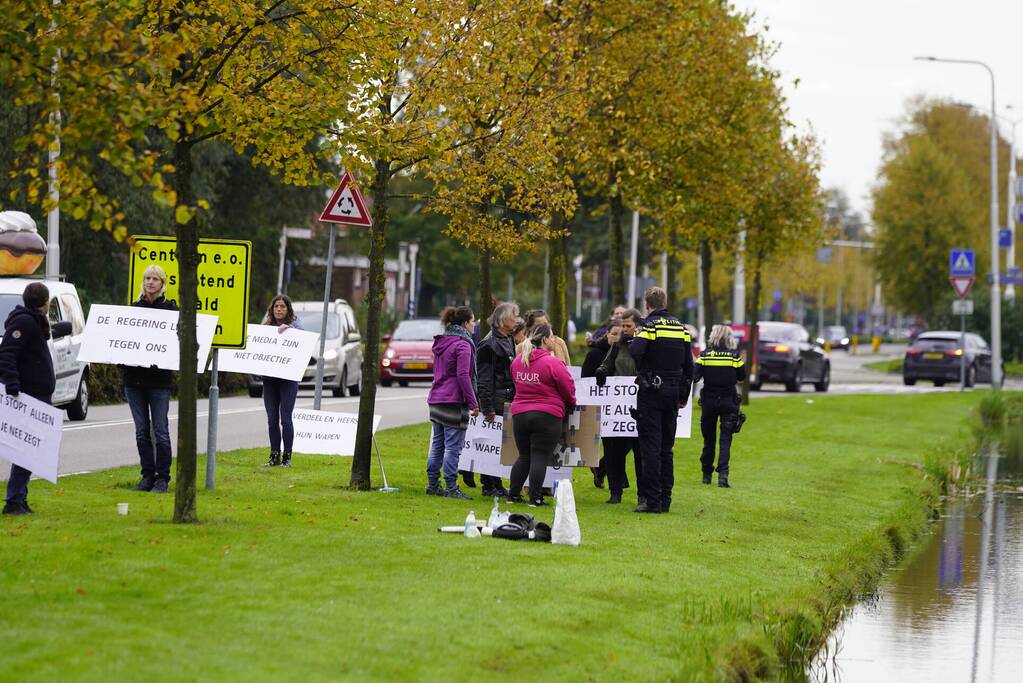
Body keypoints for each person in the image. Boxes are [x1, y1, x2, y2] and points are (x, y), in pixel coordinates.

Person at [629, 287, 693, 513]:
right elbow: (689, 366)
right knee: (667, 448)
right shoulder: (681, 328)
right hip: (673, 392)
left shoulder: (648, 326)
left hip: (651, 392)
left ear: (647, 305)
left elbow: (636, 352)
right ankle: (666, 499)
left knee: (650, 447)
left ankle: (652, 501)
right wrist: (683, 396)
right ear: (665, 302)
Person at [1, 283, 55, 515]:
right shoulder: (24, 322)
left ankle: (19, 497)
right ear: (45, 302)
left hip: (38, 394)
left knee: (31, 451)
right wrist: (12, 383)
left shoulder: (34, 321)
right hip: (28, 396)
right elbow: (7, 353)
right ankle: (13, 500)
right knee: (27, 450)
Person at [507, 324, 575, 506]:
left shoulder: (518, 360)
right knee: (539, 456)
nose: (554, 340)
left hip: (520, 414)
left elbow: (515, 383)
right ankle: (535, 498)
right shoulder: (553, 363)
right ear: (545, 340)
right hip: (547, 415)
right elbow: (568, 388)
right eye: (552, 337)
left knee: (524, 456)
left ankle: (512, 495)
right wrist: (571, 403)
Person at [124, 265, 177, 494]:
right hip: (134, 380)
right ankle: (147, 476)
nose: (150, 282)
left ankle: (162, 478)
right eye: (147, 278)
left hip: (159, 382)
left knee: (161, 431)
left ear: (163, 283)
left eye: (155, 279)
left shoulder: (172, 312)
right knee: (141, 431)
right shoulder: (133, 310)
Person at [426, 306, 480, 499]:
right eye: (473, 321)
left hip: (436, 398)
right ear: (465, 323)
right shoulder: (463, 345)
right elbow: (463, 375)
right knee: (453, 448)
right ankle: (450, 487)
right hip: (453, 401)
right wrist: (473, 402)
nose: (475, 325)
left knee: (438, 445)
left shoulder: (443, 341)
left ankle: (432, 484)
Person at [595, 308, 644, 504]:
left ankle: (643, 494)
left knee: (640, 452)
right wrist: (602, 371)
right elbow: (607, 364)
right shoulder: (618, 345)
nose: (625, 330)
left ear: (638, 326)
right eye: (623, 326)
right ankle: (615, 492)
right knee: (614, 451)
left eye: (628, 326)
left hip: (639, 405)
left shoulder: (646, 344)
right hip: (618, 406)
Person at [474, 302, 520, 497]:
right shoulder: (489, 344)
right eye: (513, 317)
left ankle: (497, 483)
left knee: (501, 445)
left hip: (508, 398)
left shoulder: (508, 339)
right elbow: (484, 379)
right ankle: (488, 484)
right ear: (502, 320)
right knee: (490, 445)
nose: (516, 320)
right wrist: (487, 407)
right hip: (496, 401)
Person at [694, 324, 745, 488]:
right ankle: (723, 476)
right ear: (729, 338)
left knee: (708, 440)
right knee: (725, 440)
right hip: (729, 401)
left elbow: (695, 376)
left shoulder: (705, 356)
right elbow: (742, 377)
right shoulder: (734, 357)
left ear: (713, 337)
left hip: (709, 401)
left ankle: (706, 474)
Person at [261, 295, 302, 468]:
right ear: (272, 309)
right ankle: (274, 455)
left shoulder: (296, 326)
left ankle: (287, 456)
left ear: (288, 309)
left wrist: (290, 329)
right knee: (272, 419)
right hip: (270, 380)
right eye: (276, 306)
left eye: (282, 307)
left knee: (286, 419)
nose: (279, 309)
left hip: (288, 381)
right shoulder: (266, 327)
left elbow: (303, 340)